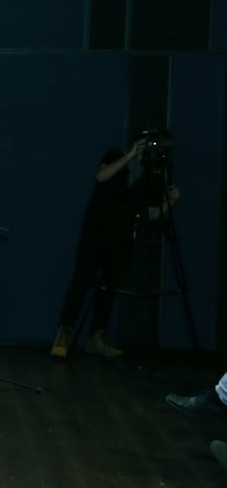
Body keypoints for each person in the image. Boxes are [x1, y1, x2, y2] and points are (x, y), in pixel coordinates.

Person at [50, 134, 180, 359]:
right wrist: (131, 155)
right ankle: (64, 335)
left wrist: (171, 202)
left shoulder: (150, 178)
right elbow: (102, 176)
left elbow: (150, 213)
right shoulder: (117, 156)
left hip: (121, 241)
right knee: (80, 285)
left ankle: (96, 338)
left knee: (108, 290)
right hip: (95, 235)